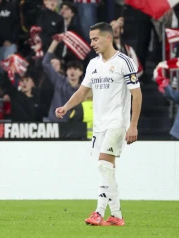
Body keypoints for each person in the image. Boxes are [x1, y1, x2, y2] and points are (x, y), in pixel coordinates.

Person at [55, 22, 142, 226]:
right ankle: (118, 216)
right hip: (99, 125)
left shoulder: (124, 62)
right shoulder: (93, 64)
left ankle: (98, 212)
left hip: (116, 122)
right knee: (107, 169)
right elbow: (83, 91)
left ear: (108, 38)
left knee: (104, 165)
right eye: (91, 39)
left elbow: (136, 95)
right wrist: (66, 107)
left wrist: (133, 125)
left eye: (95, 39)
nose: (92, 43)